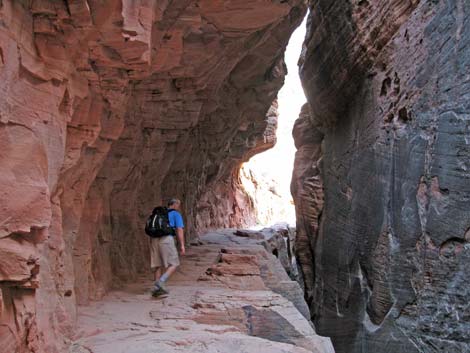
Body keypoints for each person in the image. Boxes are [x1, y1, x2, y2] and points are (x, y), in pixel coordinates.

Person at [150, 198, 185, 297]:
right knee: (174, 263)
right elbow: (179, 229)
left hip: (154, 239)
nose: (178, 207)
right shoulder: (176, 214)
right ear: (174, 204)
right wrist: (182, 245)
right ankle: (160, 282)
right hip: (166, 239)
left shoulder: (158, 214)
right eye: (178, 204)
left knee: (158, 265)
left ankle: (156, 289)